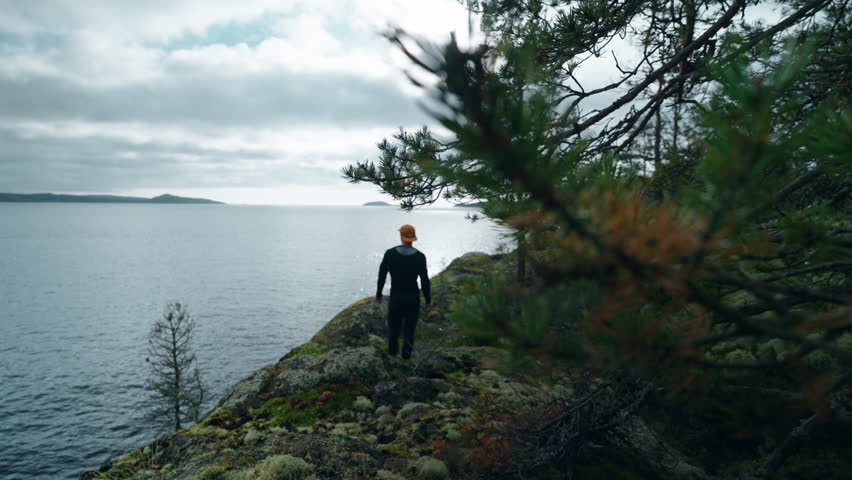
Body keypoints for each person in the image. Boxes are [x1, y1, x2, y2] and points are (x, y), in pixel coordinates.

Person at [375, 224, 432, 359]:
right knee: (409, 331)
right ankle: (406, 359)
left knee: (393, 330)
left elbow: (382, 275)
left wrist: (378, 294)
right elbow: (425, 280)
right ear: (413, 238)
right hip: (413, 299)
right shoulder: (420, 256)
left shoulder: (390, 253)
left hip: (396, 298)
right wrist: (428, 301)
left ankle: (392, 357)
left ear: (401, 236)